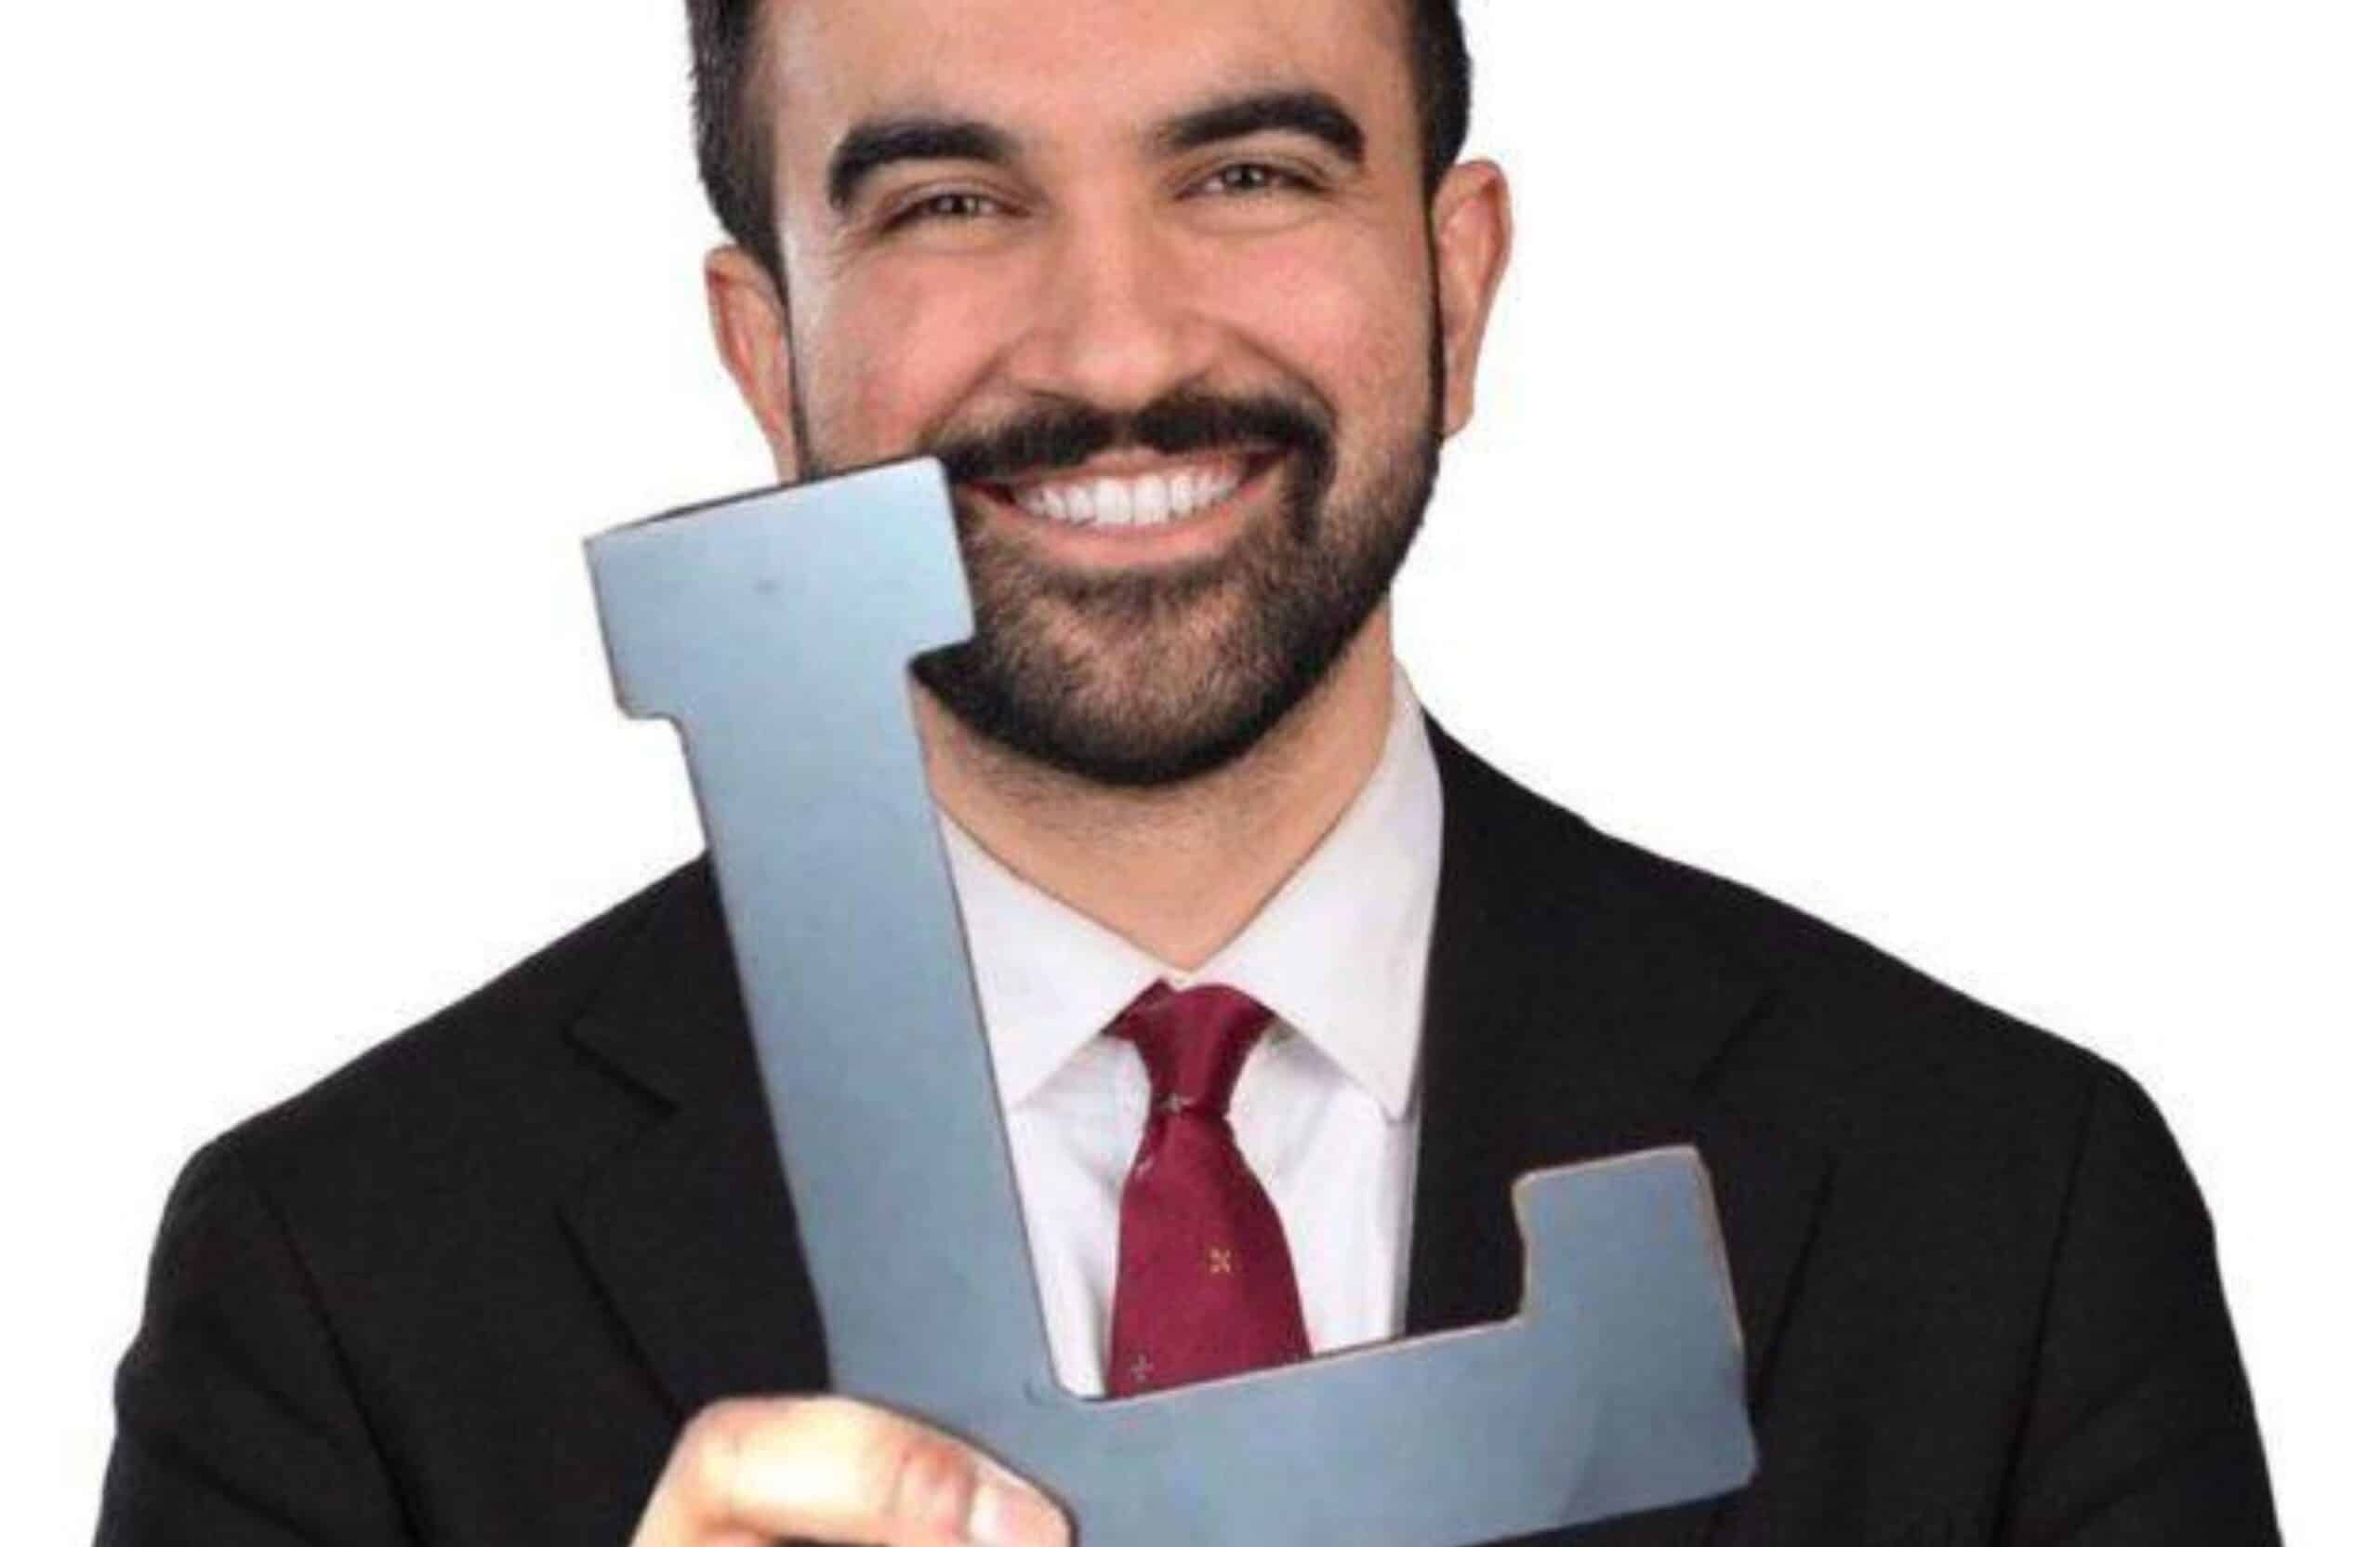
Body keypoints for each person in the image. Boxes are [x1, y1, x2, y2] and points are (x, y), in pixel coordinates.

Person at [97, 1, 2281, 1543]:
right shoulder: (339, 1278)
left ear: (1454, 283)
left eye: (1244, 174)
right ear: (767, 351)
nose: (1116, 346)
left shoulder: (2001, 1203)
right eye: (950, 202)